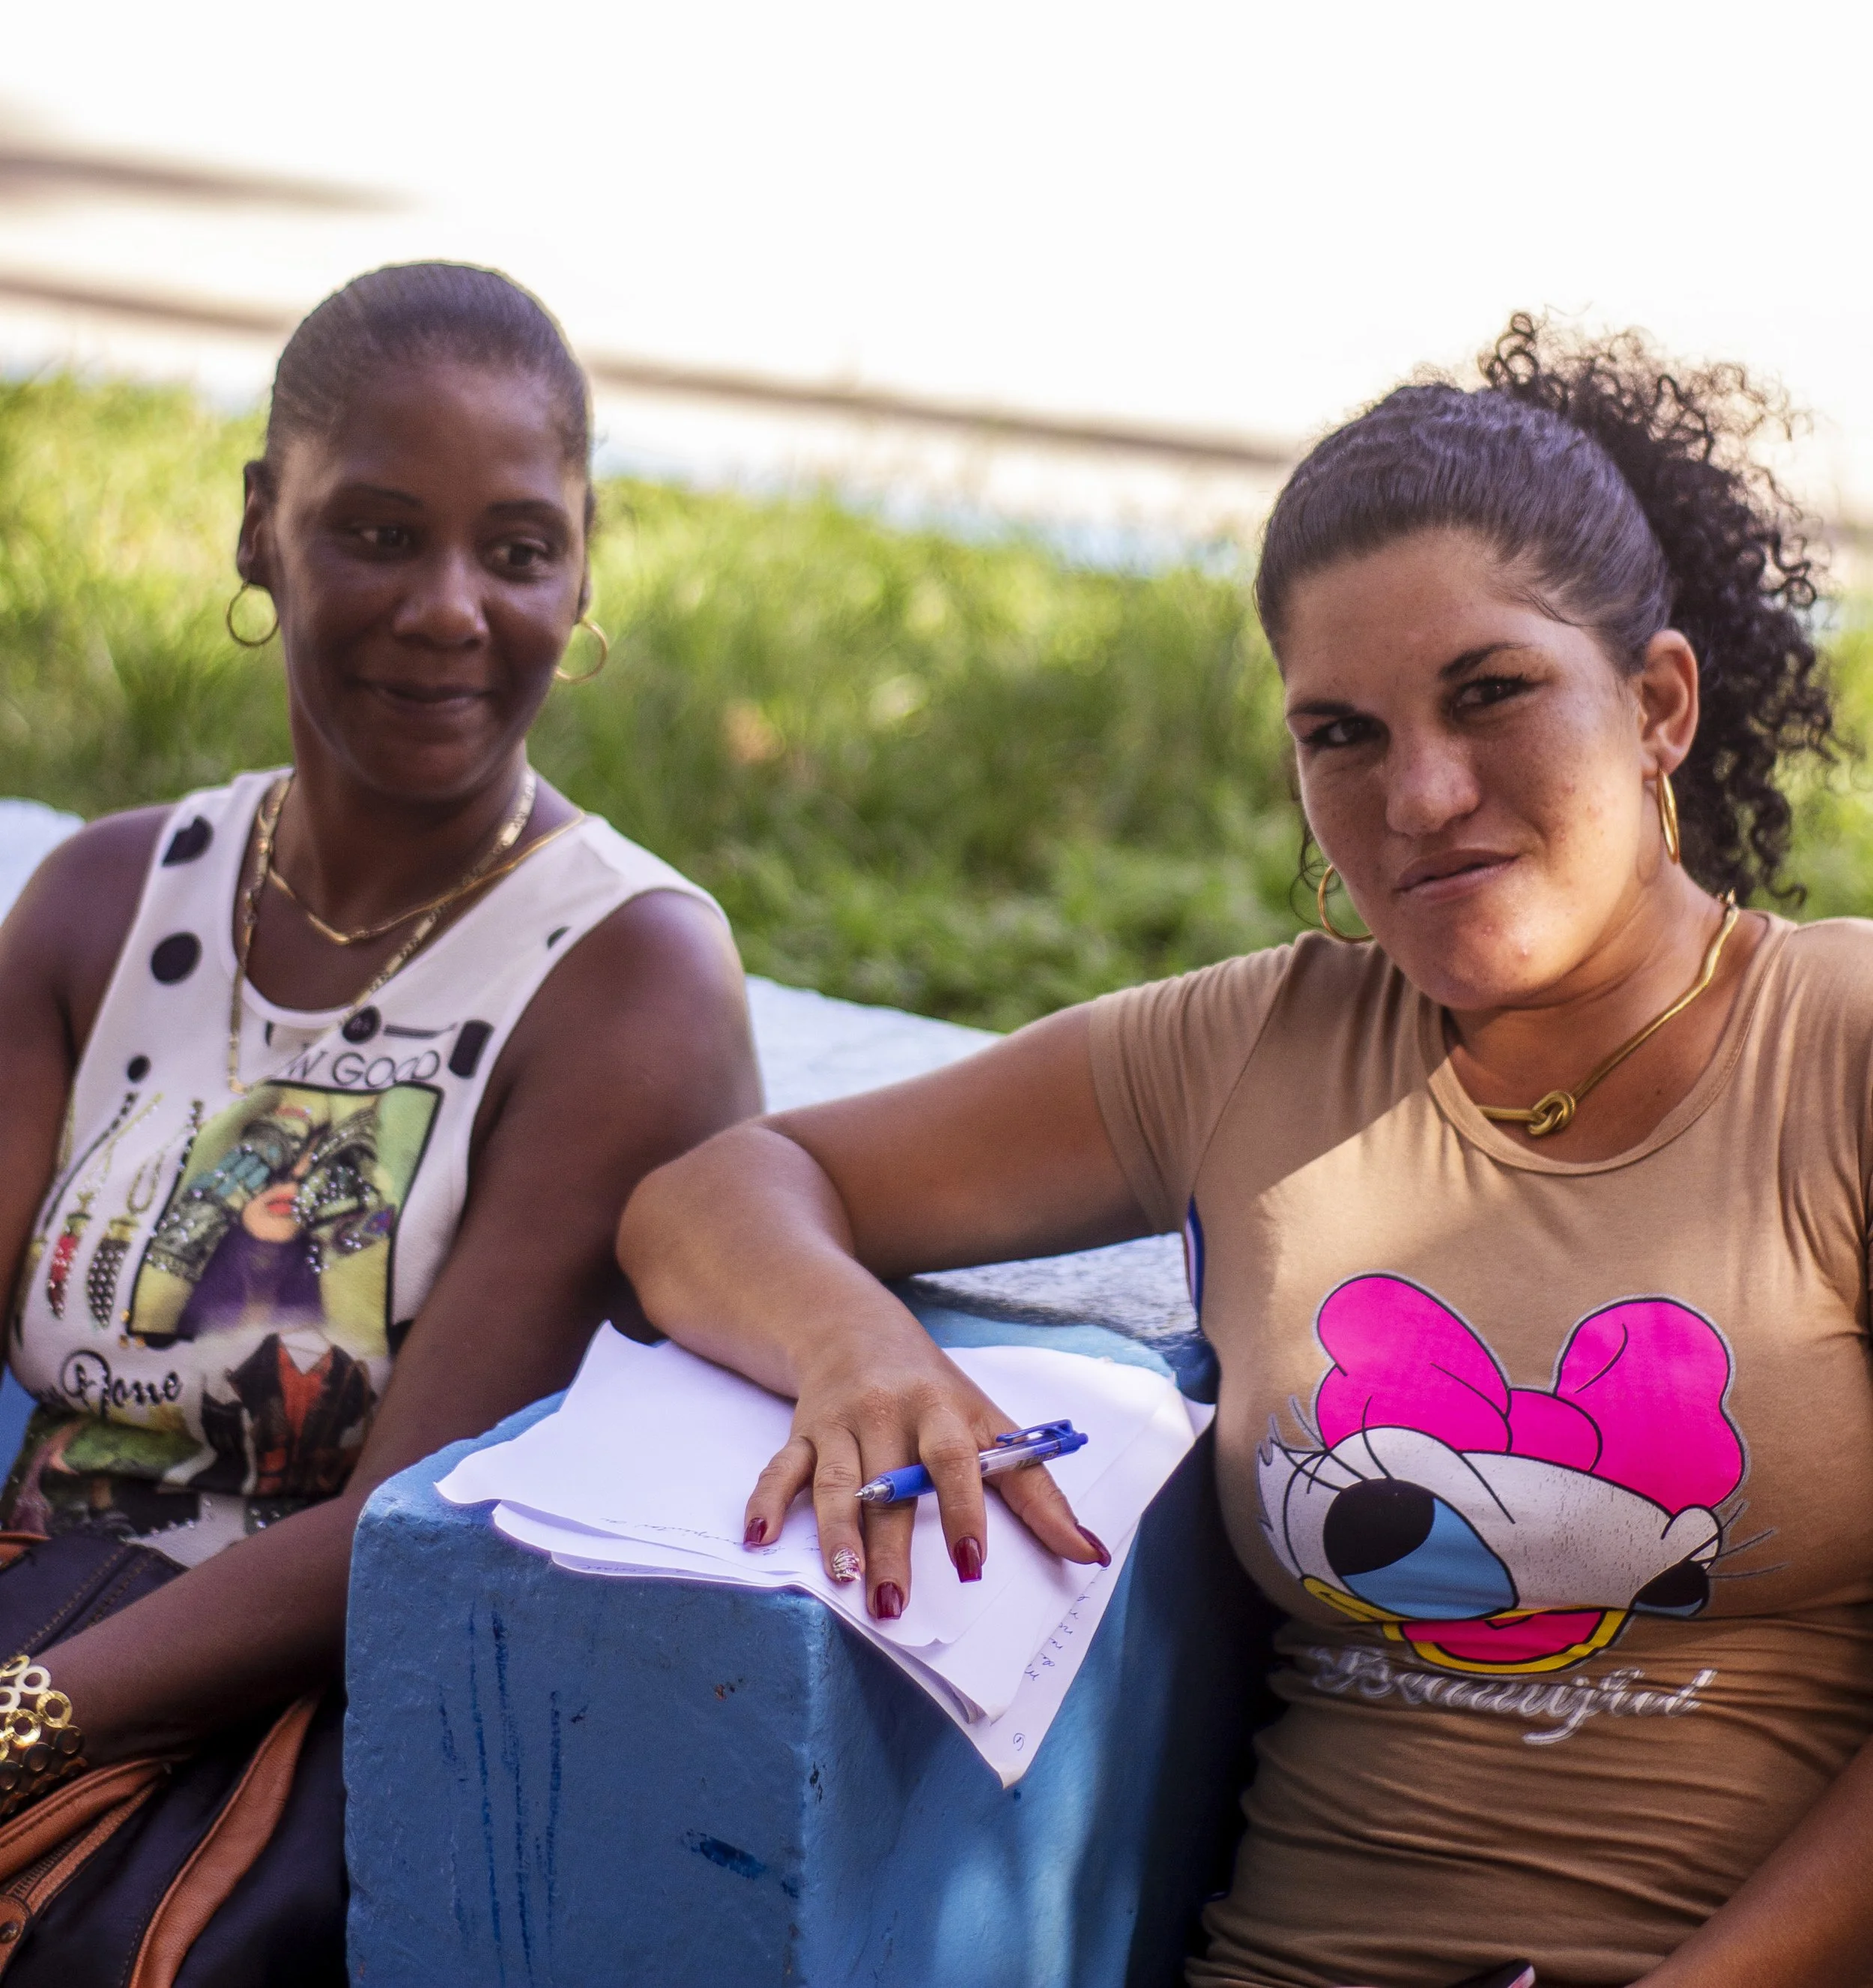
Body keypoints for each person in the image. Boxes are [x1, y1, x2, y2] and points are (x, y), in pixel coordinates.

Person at [621, 317, 1873, 1988]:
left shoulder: (1838, 1054)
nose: (1419, 795)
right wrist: (857, 1352)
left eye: (1490, 693)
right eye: (1339, 733)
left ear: (1655, 705)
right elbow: (709, 1194)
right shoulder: (1248, 1055)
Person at [0, 261, 758, 1976]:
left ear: (583, 569)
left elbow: (405, 1523)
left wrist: (21, 1719)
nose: (447, 609)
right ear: (258, 529)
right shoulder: (101, 903)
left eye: (517, 549)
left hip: (282, 1731)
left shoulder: (623, 979)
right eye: (377, 532)